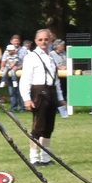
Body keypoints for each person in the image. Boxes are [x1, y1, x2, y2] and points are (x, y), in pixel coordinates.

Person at [19, 28, 63, 165]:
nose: (43, 42)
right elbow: (25, 79)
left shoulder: (51, 57)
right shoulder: (31, 57)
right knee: (38, 126)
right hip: (38, 92)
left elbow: (56, 80)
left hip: (51, 92)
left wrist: (60, 98)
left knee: (49, 127)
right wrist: (26, 98)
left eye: (46, 39)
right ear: (36, 41)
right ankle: (34, 158)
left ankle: (46, 157)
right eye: (40, 39)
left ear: (50, 40)